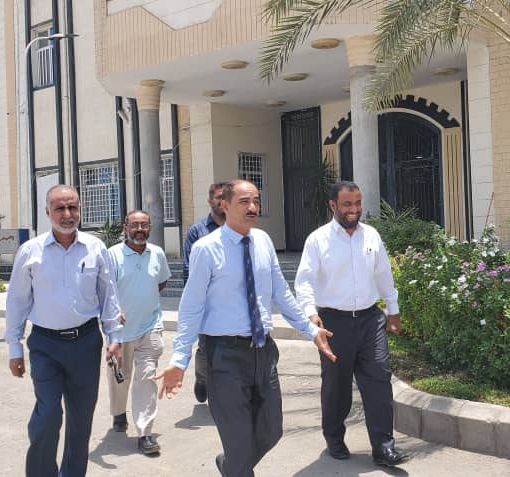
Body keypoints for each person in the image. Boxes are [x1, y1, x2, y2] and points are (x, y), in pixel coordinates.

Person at [155, 179, 337, 477]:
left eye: (256, 201)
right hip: (225, 356)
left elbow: (280, 292)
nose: (253, 207)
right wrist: (179, 359)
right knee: (239, 446)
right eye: (244, 202)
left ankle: (230, 466)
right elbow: (191, 307)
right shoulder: (206, 249)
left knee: (271, 431)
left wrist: (309, 329)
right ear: (224, 205)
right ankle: (237, 466)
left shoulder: (263, 241)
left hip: (264, 352)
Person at [5, 184, 125, 477]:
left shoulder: (95, 247)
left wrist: (115, 337)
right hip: (45, 345)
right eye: (60, 208)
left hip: (85, 343)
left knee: (81, 420)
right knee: (47, 415)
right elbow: (17, 301)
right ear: (48, 212)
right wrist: (14, 347)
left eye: (73, 207)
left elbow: (108, 295)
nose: (67, 214)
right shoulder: (30, 251)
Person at [293, 180, 408, 467]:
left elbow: (383, 274)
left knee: (379, 380)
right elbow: (304, 282)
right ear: (333, 205)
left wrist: (392, 310)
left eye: (357, 203)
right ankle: (334, 437)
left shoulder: (371, 235)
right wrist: (311, 314)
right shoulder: (318, 240)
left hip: (370, 321)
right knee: (337, 386)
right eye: (347, 204)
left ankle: (384, 447)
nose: (354, 209)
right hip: (334, 323)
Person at [105, 209, 171, 455]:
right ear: (125, 228)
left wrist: (144, 299)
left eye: (144, 225)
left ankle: (145, 433)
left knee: (147, 379)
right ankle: (118, 411)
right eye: (134, 225)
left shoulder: (157, 253)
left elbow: (161, 282)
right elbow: (105, 290)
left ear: (150, 227)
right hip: (120, 332)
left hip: (150, 326)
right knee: (119, 377)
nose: (140, 230)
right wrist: (116, 312)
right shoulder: (113, 255)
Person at [181, 181, 227, 403]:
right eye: (218, 197)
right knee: (205, 348)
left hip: (231, 302)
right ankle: (202, 379)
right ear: (210, 201)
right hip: (206, 302)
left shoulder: (238, 228)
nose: (222, 202)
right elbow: (188, 269)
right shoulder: (197, 231)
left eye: (226, 197)